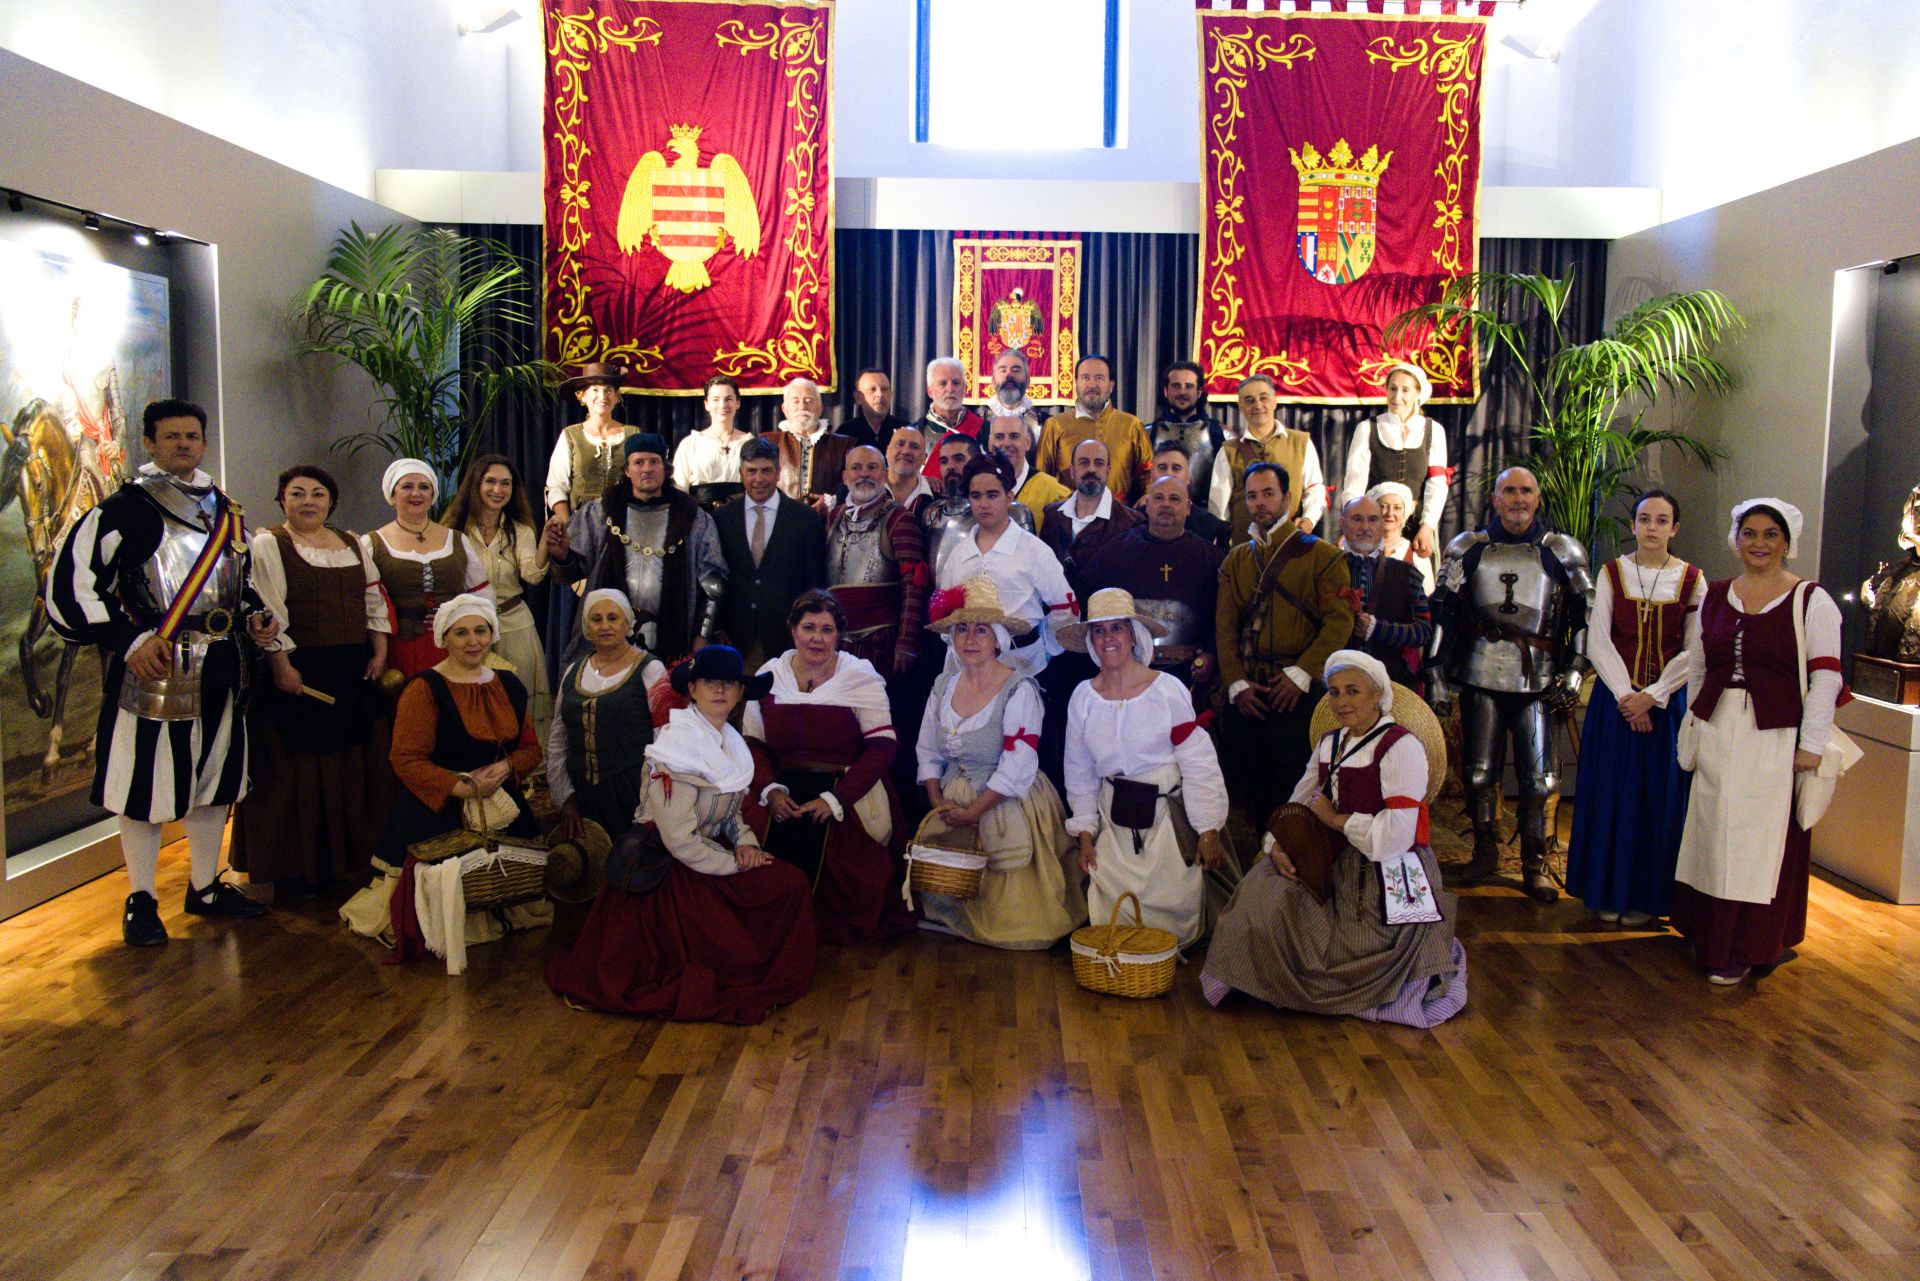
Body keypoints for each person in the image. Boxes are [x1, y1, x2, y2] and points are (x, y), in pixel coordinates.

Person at [47, 398, 275, 945]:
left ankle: (204, 885)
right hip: (158, 664)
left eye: (192, 436)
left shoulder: (226, 510)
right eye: (171, 436)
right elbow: (73, 587)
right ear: (148, 443)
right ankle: (142, 898)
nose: (183, 444)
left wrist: (257, 617)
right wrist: (129, 642)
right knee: (145, 785)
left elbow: (236, 583)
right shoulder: (123, 510)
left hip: (224, 663)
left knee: (213, 780)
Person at [545, 644, 817, 1024]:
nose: (720, 690)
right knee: (734, 944)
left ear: (740, 693)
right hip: (666, 867)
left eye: (729, 683)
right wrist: (737, 865)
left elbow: (730, 811)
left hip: (706, 851)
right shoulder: (676, 748)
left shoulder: (731, 742)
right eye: (710, 682)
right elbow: (679, 839)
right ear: (692, 689)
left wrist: (746, 843)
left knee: (790, 884)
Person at [1201, 650, 1467, 1027]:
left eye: (1353, 691)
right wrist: (1278, 844)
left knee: (1354, 937)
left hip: (1383, 866)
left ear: (1378, 695)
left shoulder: (1401, 747)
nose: (1342, 702)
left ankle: (1347, 986)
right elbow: (1299, 798)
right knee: (1259, 898)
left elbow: (1395, 837)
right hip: (1327, 855)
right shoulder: (1330, 744)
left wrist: (1336, 819)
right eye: (1335, 692)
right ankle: (1263, 980)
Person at [1672, 499, 1843, 985]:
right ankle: (1710, 933)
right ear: (1737, 538)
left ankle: (1749, 943)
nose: (1760, 544)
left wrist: (1809, 745)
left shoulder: (1812, 600)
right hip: (1718, 725)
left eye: (1771, 534)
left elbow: (1826, 678)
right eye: (1750, 533)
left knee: (1757, 840)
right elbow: (1700, 664)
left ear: (1787, 542)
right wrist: (1693, 720)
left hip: (1775, 735)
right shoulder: (1718, 593)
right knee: (1712, 829)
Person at [232, 463, 394, 903]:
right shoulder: (269, 544)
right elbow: (268, 608)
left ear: (331, 501)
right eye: (298, 493)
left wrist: (379, 650)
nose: (308, 501)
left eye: (318, 494)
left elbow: (372, 598)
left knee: (348, 766)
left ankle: (343, 863)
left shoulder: (351, 543)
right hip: (299, 670)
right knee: (297, 773)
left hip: (350, 670)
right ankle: (291, 872)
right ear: (282, 499)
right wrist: (282, 667)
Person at [1429, 466, 1592, 901]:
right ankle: (1485, 852)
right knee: (1479, 774)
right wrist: (1436, 673)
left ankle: (1535, 863)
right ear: (1495, 499)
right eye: (1508, 491)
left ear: (1537, 498)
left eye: (1525, 491)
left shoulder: (1561, 550)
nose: (1517, 499)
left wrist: (1575, 670)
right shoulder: (1468, 548)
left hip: (1538, 676)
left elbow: (1585, 615)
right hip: (1480, 672)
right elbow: (1443, 611)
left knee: (1539, 780)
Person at [377, 595, 550, 965]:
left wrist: (504, 769)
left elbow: (531, 750)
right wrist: (461, 787)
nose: (473, 641)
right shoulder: (425, 689)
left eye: (480, 631)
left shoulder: (509, 683)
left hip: (499, 803)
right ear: (444, 638)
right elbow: (405, 759)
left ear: (492, 634)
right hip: (440, 804)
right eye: (461, 633)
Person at [915, 577, 1086, 949]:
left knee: (1020, 920)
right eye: (962, 630)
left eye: (980, 630)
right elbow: (927, 750)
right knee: (951, 883)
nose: (970, 639)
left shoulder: (1018, 689)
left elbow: (1018, 763)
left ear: (997, 639)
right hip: (952, 801)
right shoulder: (943, 686)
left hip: (1009, 798)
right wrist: (937, 799)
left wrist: (975, 809)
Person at [745, 591, 916, 945]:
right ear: (792, 630)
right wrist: (769, 789)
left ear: (839, 635)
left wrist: (836, 800)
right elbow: (754, 743)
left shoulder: (859, 677)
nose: (817, 638)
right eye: (809, 627)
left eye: (827, 629)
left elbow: (883, 747)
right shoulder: (769, 675)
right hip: (782, 789)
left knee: (851, 880)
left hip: (846, 788)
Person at [1062, 589, 1231, 947]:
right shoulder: (1083, 698)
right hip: (1114, 823)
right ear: (1091, 640)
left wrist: (1207, 828)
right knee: (1114, 921)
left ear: (1134, 635)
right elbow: (1078, 773)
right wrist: (1086, 834)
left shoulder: (1167, 690)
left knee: (1172, 911)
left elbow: (1199, 763)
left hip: (1165, 821)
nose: (1108, 639)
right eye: (1099, 631)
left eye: (1117, 629)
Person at [1567, 490, 1703, 927]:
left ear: (1674, 528)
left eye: (1662, 520)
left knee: (1656, 800)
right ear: (1633, 525)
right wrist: (1628, 695)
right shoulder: (1611, 573)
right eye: (1645, 519)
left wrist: (1655, 694)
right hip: (1615, 701)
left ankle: (1647, 895)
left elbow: (1695, 648)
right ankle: (1607, 889)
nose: (1652, 528)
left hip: (1666, 706)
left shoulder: (1692, 580)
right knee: (1612, 792)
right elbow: (1598, 638)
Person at [1216, 462, 1355, 833]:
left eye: (1268, 494)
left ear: (1288, 499)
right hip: (1250, 693)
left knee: (1297, 791)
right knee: (1253, 794)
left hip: (1300, 694)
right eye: (1252, 496)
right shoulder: (1237, 559)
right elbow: (1225, 627)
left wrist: (1302, 674)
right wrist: (1235, 683)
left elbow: (1340, 622)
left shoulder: (1323, 557)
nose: (1259, 503)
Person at [544, 431, 725, 663]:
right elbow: (569, 573)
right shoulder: (601, 513)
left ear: (665, 468)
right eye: (638, 462)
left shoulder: (694, 518)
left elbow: (714, 583)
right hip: (608, 635)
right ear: (627, 470)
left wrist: (702, 635)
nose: (646, 468)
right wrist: (562, 556)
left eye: (654, 461)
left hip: (674, 636)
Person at [1080, 476, 1224, 692]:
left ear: (1187, 508)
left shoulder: (1211, 558)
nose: (1166, 504)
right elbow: (1087, 598)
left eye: (1174, 499)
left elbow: (1223, 616)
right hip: (1128, 672)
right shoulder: (1117, 551)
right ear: (1147, 505)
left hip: (1191, 674)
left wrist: (1211, 653)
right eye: (1159, 498)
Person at [936, 455, 1075, 679]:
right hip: (966, 670)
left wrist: (1045, 647)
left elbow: (1065, 608)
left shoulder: (1034, 550)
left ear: (1009, 496)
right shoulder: (958, 554)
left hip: (1023, 665)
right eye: (976, 496)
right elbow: (944, 613)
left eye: (992, 495)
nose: (983, 504)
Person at [443, 453, 552, 738]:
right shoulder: (453, 532)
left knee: (523, 694)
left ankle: (529, 771)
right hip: (470, 629)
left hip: (515, 623)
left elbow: (533, 575)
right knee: (473, 696)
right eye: (490, 481)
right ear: (475, 484)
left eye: (506, 483)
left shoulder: (521, 530)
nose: (498, 489)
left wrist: (544, 545)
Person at [547, 589, 670, 841]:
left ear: (627, 623)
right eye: (596, 619)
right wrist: (566, 796)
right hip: (582, 794)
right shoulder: (573, 671)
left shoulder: (651, 669)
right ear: (586, 627)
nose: (605, 626)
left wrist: (650, 804)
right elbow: (558, 739)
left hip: (632, 791)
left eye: (613, 618)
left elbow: (665, 741)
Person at [364, 459, 493, 678]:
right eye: (407, 486)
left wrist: (458, 616)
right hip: (400, 648)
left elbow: (482, 594)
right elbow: (370, 604)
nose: (417, 493)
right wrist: (380, 653)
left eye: (424, 487)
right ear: (392, 496)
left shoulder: (457, 539)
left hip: (453, 646)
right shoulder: (372, 543)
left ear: (432, 496)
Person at [713, 437, 827, 668]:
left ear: (778, 472)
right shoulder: (722, 518)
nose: (758, 479)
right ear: (741, 473)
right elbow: (715, 576)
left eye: (766, 471)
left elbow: (815, 582)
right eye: (751, 471)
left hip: (789, 639)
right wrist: (718, 627)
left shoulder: (805, 518)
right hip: (734, 639)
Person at [826, 444, 928, 678]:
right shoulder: (833, 517)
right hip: (836, 643)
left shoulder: (899, 519)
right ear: (844, 476)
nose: (864, 474)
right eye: (856, 468)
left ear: (884, 474)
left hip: (881, 644)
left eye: (872, 467)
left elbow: (914, 585)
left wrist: (906, 642)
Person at [1339, 363, 1450, 562]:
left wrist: (1427, 527)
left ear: (1418, 392)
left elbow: (1437, 485)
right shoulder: (1367, 429)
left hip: (1416, 527)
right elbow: (1354, 485)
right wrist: (1353, 525)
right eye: (1393, 388)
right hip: (1372, 526)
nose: (1397, 396)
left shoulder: (1434, 431)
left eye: (1405, 390)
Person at [1209, 374, 1325, 541]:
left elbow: (1315, 489)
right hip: (1245, 550)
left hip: (1291, 545)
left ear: (1274, 402)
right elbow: (1218, 509)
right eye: (1249, 400)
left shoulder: (1301, 443)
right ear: (1241, 406)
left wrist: (1308, 519)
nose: (1257, 405)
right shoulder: (1228, 451)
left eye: (1264, 398)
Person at [1339, 494, 1434, 692]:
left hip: (1392, 687)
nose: (1365, 527)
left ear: (1381, 524)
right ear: (1342, 523)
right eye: (1357, 519)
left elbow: (1424, 631)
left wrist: (1378, 629)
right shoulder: (1323, 570)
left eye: (1373, 519)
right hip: (1335, 687)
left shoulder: (1409, 574)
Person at [1035, 353, 1152, 503]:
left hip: (1121, 518)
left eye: (1099, 378)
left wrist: (1147, 496)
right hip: (1069, 518)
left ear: (1111, 385)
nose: (1092, 385)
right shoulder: (1055, 426)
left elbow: (1148, 472)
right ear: (1076, 383)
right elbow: (1042, 477)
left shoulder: (1131, 425)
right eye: (1085, 378)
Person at [1040, 437, 1140, 601]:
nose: (1091, 469)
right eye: (1084, 463)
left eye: (1099, 463)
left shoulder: (1131, 523)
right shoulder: (1052, 517)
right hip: (1058, 620)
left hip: (1105, 623)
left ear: (1108, 470)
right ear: (1072, 471)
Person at [543, 362, 627, 524]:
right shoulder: (570, 435)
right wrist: (570, 529)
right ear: (582, 396)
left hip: (626, 525)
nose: (602, 396)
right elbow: (557, 487)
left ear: (617, 396)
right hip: (582, 524)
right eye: (595, 390)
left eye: (608, 390)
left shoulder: (633, 435)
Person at [1147, 360, 1226, 511]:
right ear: (1166, 391)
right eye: (1176, 386)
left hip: (1204, 519)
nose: (1182, 392)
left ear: (1199, 392)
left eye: (1189, 386)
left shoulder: (1219, 434)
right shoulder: (1147, 434)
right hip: (1159, 516)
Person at [766, 377, 853, 506]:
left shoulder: (843, 445)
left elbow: (853, 483)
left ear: (820, 408)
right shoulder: (768, 442)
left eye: (809, 400)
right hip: (780, 521)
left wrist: (832, 501)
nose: (802, 406)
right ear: (785, 409)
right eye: (795, 401)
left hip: (827, 522)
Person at [672, 374, 752, 509]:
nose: (722, 405)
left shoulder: (749, 443)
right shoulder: (690, 444)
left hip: (740, 518)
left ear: (738, 403)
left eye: (728, 399)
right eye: (716, 399)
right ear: (706, 404)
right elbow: (679, 492)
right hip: (700, 518)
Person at [1141, 439, 1231, 547]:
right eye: (1162, 468)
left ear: (1188, 477)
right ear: (1151, 476)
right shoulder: (1133, 522)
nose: (1168, 474)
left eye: (1176, 468)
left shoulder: (1211, 528)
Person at [989, 412, 1068, 526]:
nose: (1006, 443)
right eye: (999, 437)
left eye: (1014, 436)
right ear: (990, 442)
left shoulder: (1053, 493)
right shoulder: (978, 487)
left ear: (1027, 442)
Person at [914, 356, 984, 476]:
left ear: (965, 389)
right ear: (930, 391)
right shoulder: (914, 434)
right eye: (943, 383)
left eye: (956, 383)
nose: (950, 389)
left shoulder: (985, 431)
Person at [1367, 481, 1436, 594]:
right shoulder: (1360, 549)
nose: (1390, 513)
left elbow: (1428, 600)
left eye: (1397, 508)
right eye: (1383, 506)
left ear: (1404, 515)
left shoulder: (1415, 555)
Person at [982, 348, 1045, 442]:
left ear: (1027, 381)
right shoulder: (979, 424)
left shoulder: (1045, 423)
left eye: (1015, 370)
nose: (1009, 375)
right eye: (1003, 370)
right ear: (993, 382)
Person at [846, 366, 909, 451]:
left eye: (884, 389)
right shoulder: (846, 433)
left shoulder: (906, 430)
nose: (880, 394)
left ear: (891, 395)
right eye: (872, 389)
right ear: (858, 397)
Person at [885, 424, 935, 513]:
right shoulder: (867, 487)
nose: (905, 451)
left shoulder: (937, 497)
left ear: (924, 458)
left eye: (914, 447)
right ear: (887, 451)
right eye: (900, 444)